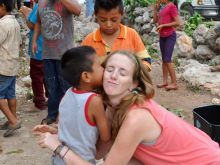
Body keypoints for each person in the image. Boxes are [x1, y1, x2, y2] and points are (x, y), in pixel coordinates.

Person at [35, 51, 220, 164]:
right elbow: (98, 150)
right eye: (110, 69)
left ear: (133, 84)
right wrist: (60, 133)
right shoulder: (111, 108)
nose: (113, 76)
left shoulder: (136, 117)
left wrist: (59, 148)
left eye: (122, 72)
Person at [34, 46, 111, 164]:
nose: (103, 69)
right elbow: (105, 137)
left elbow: (65, 125)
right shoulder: (94, 101)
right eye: (99, 65)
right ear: (86, 76)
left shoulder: (67, 94)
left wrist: (54, 130)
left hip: (59, 159)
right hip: (79, 161)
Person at [32, 0, 81, 124]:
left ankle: (69, 117)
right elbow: (38, 22)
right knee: (51, 87)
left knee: (67, 87)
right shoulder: (41, 3)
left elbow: (78, 11)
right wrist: (34, 41)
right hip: (48, 54)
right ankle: (52, 115)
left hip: (65, 54)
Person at [82, 0, 152, 71]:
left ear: (122, 14)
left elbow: (146, 61)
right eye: (103, 20)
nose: (108, 25)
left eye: (114, 20)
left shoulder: (131, 34)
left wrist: (131, 73)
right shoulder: (89, 40)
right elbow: (81, 68)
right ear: (96, 15)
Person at [20, 0, 47, 111]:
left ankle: (39, 102)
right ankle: (51, 98)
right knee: (47, 75)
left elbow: (31, 25)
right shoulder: (49, 4)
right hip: (49, 50)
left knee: (36, 76)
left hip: (38, 49)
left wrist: (26, 13)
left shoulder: (41, 3)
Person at [0, 0, 21, 137]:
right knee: (10, 94)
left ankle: (13, 121)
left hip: (3, 65)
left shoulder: (2, 24)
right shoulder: (15, 22)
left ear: (2, 6)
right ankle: (12, 118)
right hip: (12, 64)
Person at [153, 0, 180, 91]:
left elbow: (177, 22)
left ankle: (174, 83)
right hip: (162, 36)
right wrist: (155, 10)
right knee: (164, 59)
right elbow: (155, 21)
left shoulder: (172, 6)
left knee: (167, 59)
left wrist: (163, 25)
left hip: (170, 35)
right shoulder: (163, 7)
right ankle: (165, 81)